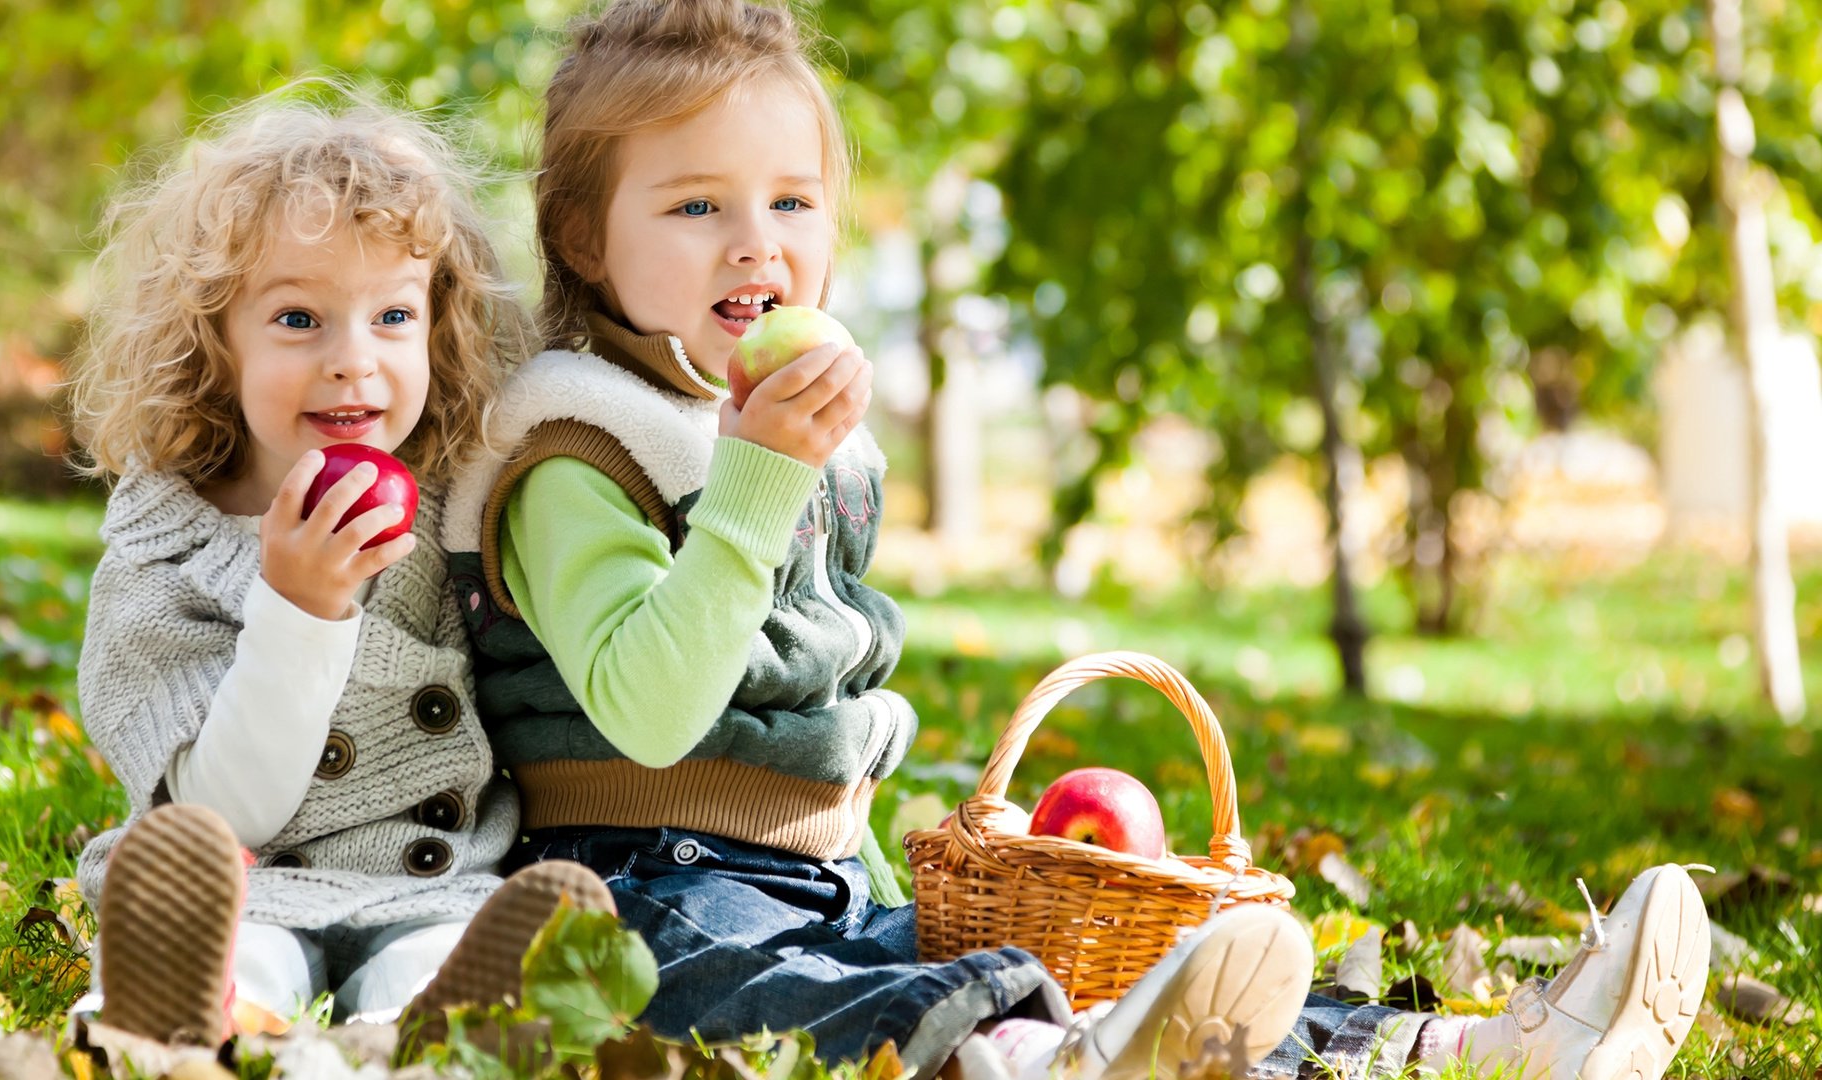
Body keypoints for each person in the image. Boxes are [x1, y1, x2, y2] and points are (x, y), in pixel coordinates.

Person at [444, 2, 1715, 1078]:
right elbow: (656, 715)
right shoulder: (578, 452)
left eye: (791, 199)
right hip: (639, 890)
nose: (757, 242)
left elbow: (807, 713)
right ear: (581, 237)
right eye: (695, 205)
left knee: (1064, 955)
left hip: (812, 880)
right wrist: (758, 479)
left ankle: (1460, 1049)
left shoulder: (789, 429)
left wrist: (882, 865)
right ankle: (1060, 1055)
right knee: (813, 1001)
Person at [65, 84, 611, 1052]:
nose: (353, 361)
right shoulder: (169, 548)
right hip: (244, 874)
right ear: (212, 340)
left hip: (430, 879)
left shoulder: (460, 508)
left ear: (438, 327)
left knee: (436, 957)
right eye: (297, 320)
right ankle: (184, 1013)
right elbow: (226, 808)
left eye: (393, 317)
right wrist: (298, 608)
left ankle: (441, 1026)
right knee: (241, 952)